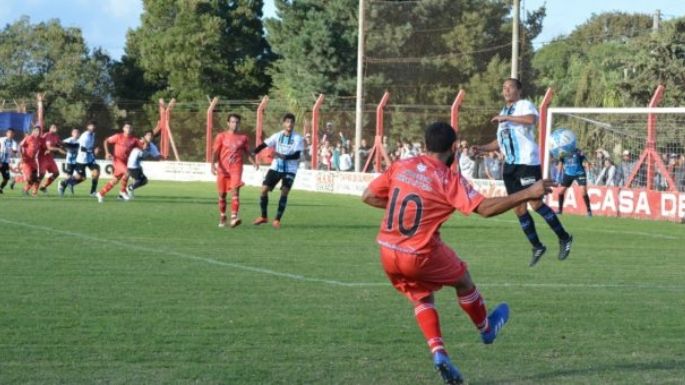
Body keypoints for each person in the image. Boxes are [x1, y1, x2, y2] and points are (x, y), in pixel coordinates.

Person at [362, 122, 556, 385]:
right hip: (418, 252)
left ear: (426, 143)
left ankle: (439, 354)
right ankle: (486, 329)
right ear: (454, 148)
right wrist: (528, 193)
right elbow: (485, 208)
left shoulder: (402, 165)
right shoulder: (447, 179)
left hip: (387, 250)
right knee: (463, 280)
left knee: (421, 295)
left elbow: (368, 196)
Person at [473, 78, 573, 267]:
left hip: (527, 162)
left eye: (510, 87)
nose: (506, 90)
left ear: (519, 90)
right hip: (510, 167)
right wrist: (482, 148)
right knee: (518, 208)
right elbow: (500, 142)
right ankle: (537, 246)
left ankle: (564, 237)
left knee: (535, 204)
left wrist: (507, 118)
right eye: (504, 87)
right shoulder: (504, 111)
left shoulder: (523, 105)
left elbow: (531, 120)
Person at [253, 113, 304, 229]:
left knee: (285, 191)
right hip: (276, 167)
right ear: (283, 123)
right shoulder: (277, 136)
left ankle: (277, 220)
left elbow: (297, 155)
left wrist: (283, 156)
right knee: (263, 190)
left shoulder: (297, 138)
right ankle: (263, 216)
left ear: (294, 124)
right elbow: (264, 145)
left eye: (291, 122)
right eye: (287, 122)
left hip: (290, 169)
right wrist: (254, 152)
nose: (289, 124)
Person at [211, 113, 257, 228]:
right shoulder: (221, 136)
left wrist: (254, 162)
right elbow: (215, 152)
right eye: (232, 122)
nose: (235, 124)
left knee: (235, 192)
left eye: (237, 122)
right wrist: (212, 164)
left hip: (236, 168)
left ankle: (233, 217)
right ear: (228, 123)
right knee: (222, 195)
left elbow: (247, 152)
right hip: (223, 170)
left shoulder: (243, 138)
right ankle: (222, 216)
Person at [95, 123, 143, 202]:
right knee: (128, 172)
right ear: (123, 129)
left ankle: (101, 193)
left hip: (126, 162)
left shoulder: (134, 140)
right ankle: (123, 191)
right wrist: (107, 153)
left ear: (132, 129)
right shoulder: (118, 136)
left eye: (130, 127)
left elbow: (143, 146)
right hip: (117, 160)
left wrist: (145, 141)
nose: (128, 129)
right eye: (127, 127)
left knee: (115, 180)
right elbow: (106, 141)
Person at [60, 122, 101, 196]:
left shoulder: (93, 135)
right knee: (81, 177)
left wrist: (96, 148)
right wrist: (93, 151)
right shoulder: (85, 136)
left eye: (94, 126)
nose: (93, 127)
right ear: (87, 127)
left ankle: (93, 192)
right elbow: (82, 149)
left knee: (96, 171)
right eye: (91, 126)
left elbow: (92, 145)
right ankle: (64, 183)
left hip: (89, 158)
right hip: (82, 159)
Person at [126, 130, 161, 199]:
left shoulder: (152, 146)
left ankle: (130, 189)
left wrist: (161, 157)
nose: (150, 137)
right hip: (132, 165)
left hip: (137, 166)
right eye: (148, 135)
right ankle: (129, 188)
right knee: (141, 180)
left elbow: (157, 157)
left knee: (143, 181)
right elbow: (140, 151)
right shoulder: (139, 142)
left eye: (151, 135)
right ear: (144, 136)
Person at [557, 149, 592, 216]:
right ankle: (559, 210)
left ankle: (589, 211)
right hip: (568, 174)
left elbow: (586, 161)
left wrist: (589, 173)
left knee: (583, 191)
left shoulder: (578, 151)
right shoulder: (563, 153)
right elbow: (560, 163)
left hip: (579, 173)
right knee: (561, 191)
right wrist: (558, 175)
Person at [37, 124, 66, 193]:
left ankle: (43, 186)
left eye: (56, 127)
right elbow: (49, 147)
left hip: (50, 157)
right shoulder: (47, 135)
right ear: (50, 128)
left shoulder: (56, 136)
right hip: (43, 156)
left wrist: (70, 145)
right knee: (41, 174)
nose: (55, 128)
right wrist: (59, 149)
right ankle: (34, 187)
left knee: (56, 173)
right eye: (53, 127)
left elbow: (60, 143)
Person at [19, 126, 42, 195]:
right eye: (36, 130)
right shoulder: (29, 138)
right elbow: (20, 146)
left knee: (36, 178)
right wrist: (21, 156)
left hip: (33, 161)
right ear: (33, 131)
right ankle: (17, 181)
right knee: (29, 178)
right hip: (26, 160)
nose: (37, 132)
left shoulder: (38, 140)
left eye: (38, 131)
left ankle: (27, 190)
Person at [59, 129, 80, 195]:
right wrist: (64, 151)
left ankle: (69, 183)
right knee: (69, 176)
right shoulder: (69, 140)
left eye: (77, 133)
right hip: (70, 160)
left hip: (78, 160)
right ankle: (63, 187)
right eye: (75, 132)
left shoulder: (80, 140)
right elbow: (60, 144)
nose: (76, 134)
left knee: (80, 175)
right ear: (72, 134)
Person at [0, 128, 18, 194]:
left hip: (6, 163)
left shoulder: (14, 143)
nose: (10, 134)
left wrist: (13, 151)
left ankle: (0, 188)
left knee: (6, 178)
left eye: (12, 133)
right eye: (9, 133)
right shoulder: (1, 139)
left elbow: (15, 151)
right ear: (6, 133)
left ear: (13, 134)